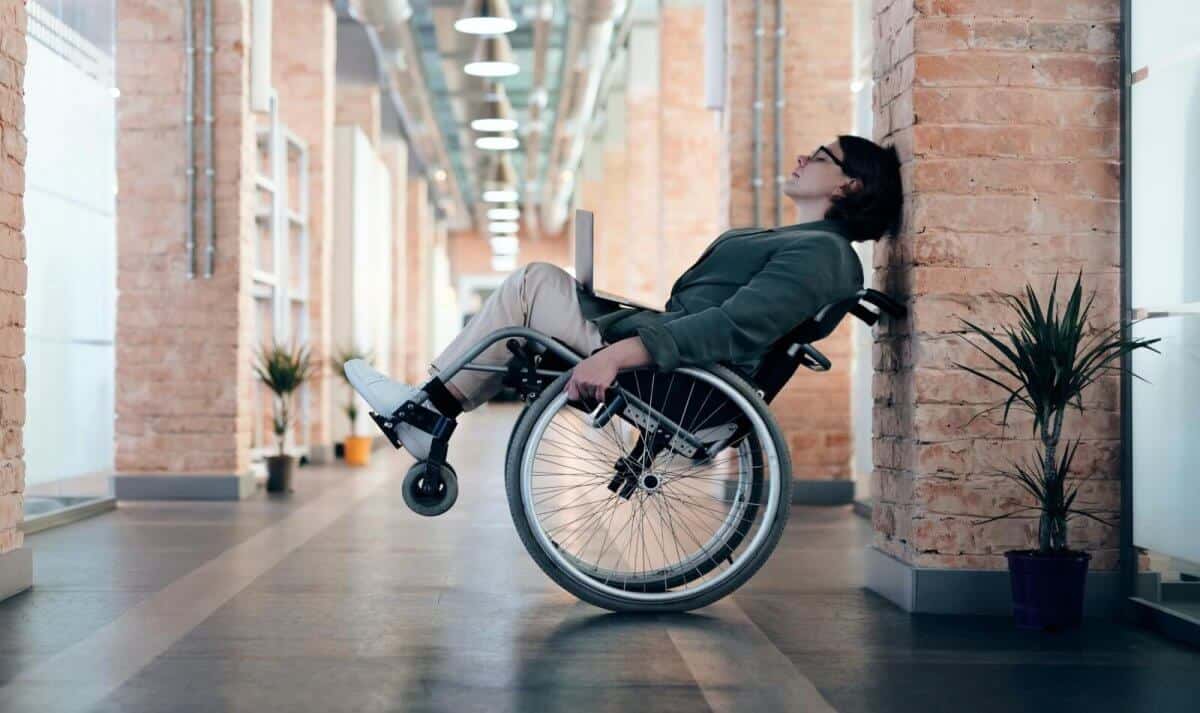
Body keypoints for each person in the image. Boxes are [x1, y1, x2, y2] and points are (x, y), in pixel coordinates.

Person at [345, 134, 903, 459]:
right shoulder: (801, 242)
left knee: (533, 282)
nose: (803, 159)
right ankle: (428, 410)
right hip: (673, 362)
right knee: (535, 286)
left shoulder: (823, 255)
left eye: (820, 156)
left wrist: (613, 353)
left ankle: (427, 412)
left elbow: (732, 328)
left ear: (848, 185)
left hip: (683, 383)